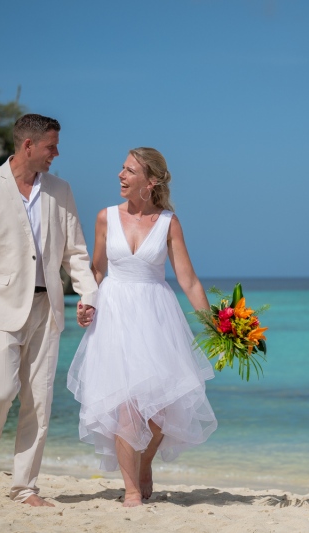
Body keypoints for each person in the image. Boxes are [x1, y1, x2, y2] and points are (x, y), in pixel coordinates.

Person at [0, 114, 98, 507]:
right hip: (0, 307)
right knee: (0, 391)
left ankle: (25, 487)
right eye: (51, 146)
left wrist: (87, 294)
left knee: (39, 399)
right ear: (28, 146)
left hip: (47, 307)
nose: (57, 153)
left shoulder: (61, 190)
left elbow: (75, 253)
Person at [67, 147, 217, 507]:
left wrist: (216, 326)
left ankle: (145, 463)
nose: (120, 175)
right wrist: (86, 301)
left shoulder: (168, 223)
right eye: (121, 168)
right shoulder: (106, 217)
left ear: (149, 182)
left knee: (160, 409)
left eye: (129, 170)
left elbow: (189, 280)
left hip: (156, 316)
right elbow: (97, 270)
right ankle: (131, 488)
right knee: (122, 405)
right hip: (114, 315)